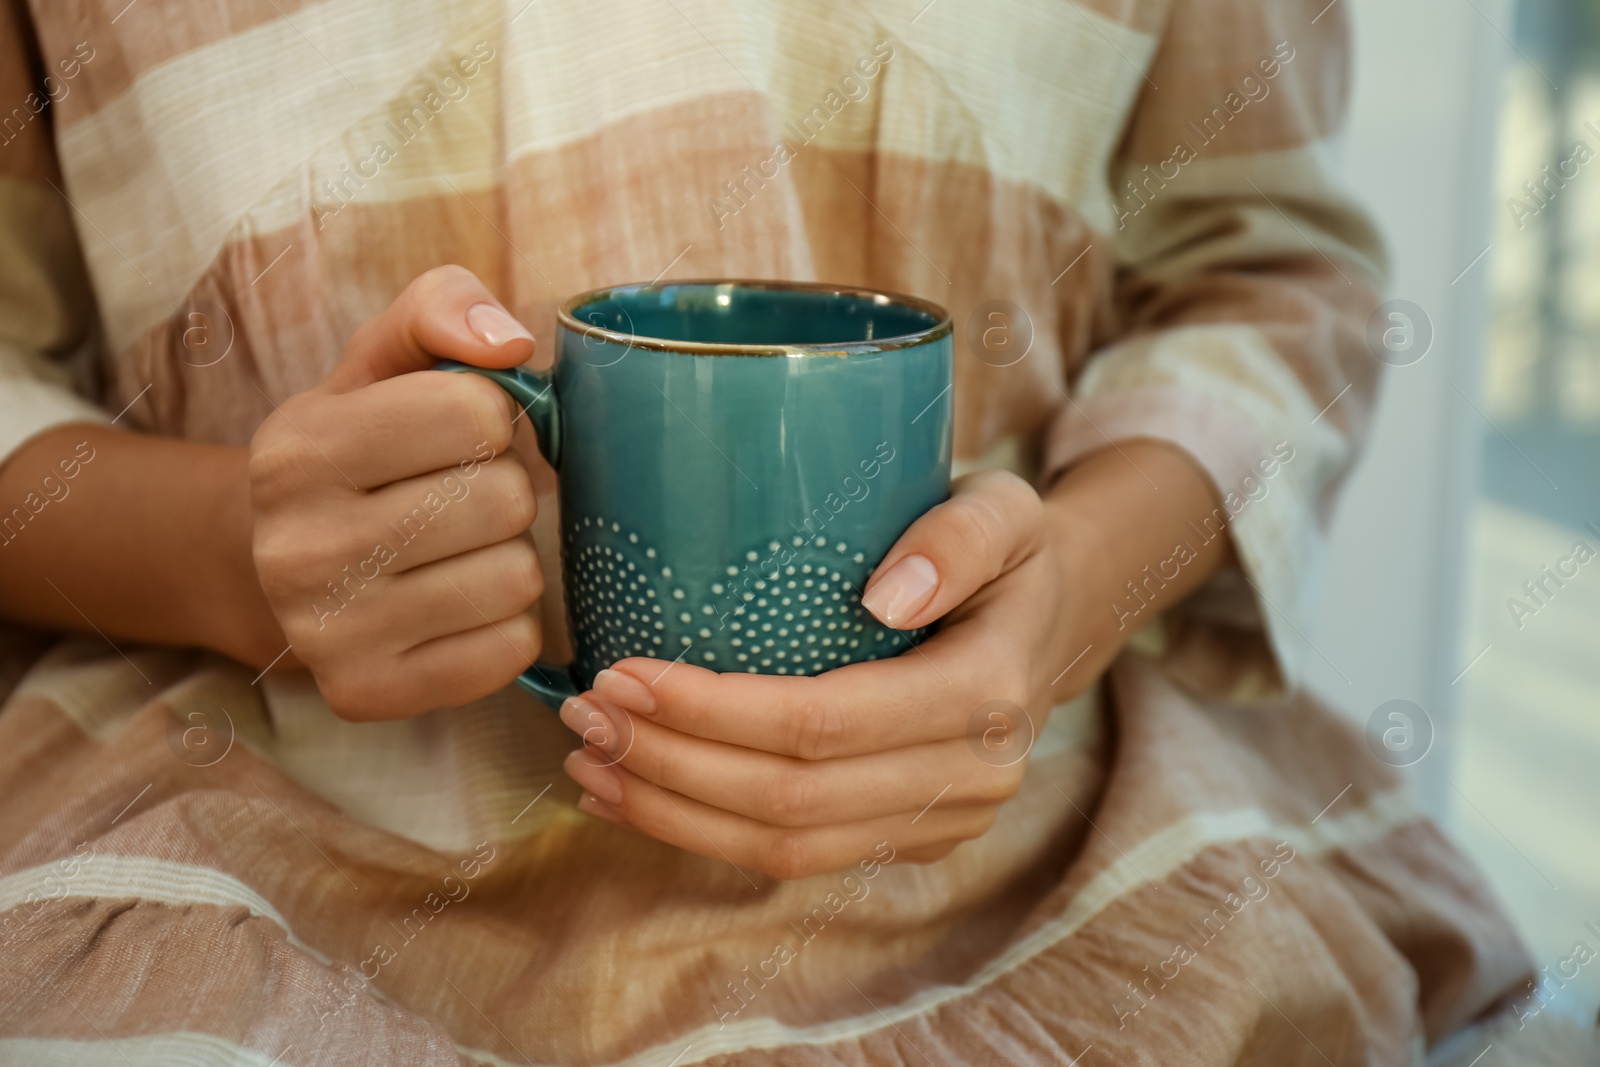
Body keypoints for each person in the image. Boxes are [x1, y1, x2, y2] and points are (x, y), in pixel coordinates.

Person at [0, 1, 1556, 1063]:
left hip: (1044, 839)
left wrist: (1071, 587)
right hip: (238, 831)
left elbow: (1264, 276)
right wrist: (234, 547)